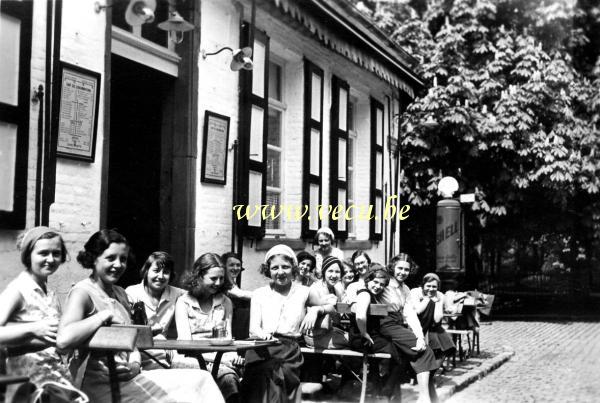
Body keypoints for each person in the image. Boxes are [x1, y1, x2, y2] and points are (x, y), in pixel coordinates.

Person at [57, 229, 223, 403]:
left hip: (129, 378)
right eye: (110, 258)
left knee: (202, 379)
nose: (118, 264)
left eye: (123, 259)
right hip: (100, 385)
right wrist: (103, 316)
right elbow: (63, 340)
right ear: (94, 258)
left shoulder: (120, 293)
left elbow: (133, 342)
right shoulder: (82, 292)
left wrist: (135, 365)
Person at [240, 244, 325, 402]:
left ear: (293, 268)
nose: (280, 272)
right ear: (268, 270)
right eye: (275, 268)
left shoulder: (303, 292)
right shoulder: (259, 294)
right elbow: (253, 329)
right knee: (261, 376)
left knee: (278, 376)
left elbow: (330, 305)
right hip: (260, 348)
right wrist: (265, 336)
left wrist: (316, 310)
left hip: (288, 351)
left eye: (285, 267)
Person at [0, 227, 74, 399]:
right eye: (43, 253)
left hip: (54, 379)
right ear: (29, 256)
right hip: (27, 385)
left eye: (56, 253)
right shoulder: (18, 290)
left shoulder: (50, 293)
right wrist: (33, 328)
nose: (51, 259)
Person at [353, 266, 439, 403]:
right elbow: (359, 316)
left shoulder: (403, 289)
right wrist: (364, 333)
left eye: (381, 285)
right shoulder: (365, 292)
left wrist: (420, 336)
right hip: (369, 334)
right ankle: (422, 397)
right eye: (375, 282)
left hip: (378, 332)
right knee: (417, 353)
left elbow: (410, 312)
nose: (378, 286)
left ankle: (391, 395)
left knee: (403, 354)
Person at [175, 253, 241, 403]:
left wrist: (232, 358)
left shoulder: (226, 302)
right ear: (198, 276)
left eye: (221, 278)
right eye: (213, 278)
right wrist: (223, 360)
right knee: (205, 378)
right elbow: (186, 345)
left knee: (229, 379)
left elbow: (227, 339)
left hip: (220, 360)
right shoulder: (183, 302)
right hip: (189, 360)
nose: (218, 283)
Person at [125, 251, 185, 369]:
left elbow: (198, 295)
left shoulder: (177, 293)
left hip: (166, 351)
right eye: (156, 271)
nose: (161, 276)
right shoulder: (131, 293)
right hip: (140, 350)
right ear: (146, 271)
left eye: (166, 272)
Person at [411, 273, 455, 364]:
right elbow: (417, 311)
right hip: (419, 326)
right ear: (423, 285)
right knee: (427, 352)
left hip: (434, 326)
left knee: (446, 349)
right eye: (428, 286)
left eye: (434, 286)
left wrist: (438, 302)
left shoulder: (440, 295)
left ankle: (431, 374)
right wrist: (428, 299)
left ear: (438, 287)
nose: (431, 289)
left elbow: (437, 319)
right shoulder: (415, 292)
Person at [305, 256, 348, 349]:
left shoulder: (338, 288)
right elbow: (311, 320)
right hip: (315, 335)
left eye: (337, 272)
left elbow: (338, 319)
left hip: (331, 331)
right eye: (330, 271)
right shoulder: (315, 288)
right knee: (354, 342)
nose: (334, 275)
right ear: (324, 272)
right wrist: (324, 306)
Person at [221, 252, 251, 340]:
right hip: (231, 321)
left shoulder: (233, 282)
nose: (235, 268)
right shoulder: (224, 283)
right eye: (231, 265)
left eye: (238, 265)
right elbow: (241, 294)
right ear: (224, 267)